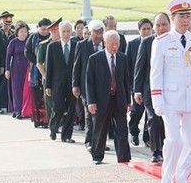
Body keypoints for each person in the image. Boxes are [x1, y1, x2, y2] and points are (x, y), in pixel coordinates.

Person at [150, 0, 191, 183]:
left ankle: (182, 180)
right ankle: (167, 179)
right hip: (171, 99)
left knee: (189, 142)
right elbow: (156, 74)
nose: (186, 20)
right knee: (174, 140)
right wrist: (157, 100)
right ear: (173, 18)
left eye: (188, 16)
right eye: (181, 17)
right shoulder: (162, 42)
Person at [86, 30, 132, 164]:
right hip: (101, 100)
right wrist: (91, 101)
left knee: (122, 128)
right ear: (105, 43)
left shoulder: (123, 58)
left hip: (119, 99)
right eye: (111, 44)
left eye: (117, 43)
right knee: (100, 129)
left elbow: (126, 81)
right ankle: (97, 155)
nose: (114, 47)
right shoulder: (95, 59)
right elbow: (89, 82)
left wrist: (128, 101)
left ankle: (123, 157)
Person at [133, 12, 170, 163]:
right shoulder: (148, 42)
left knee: (167, 120)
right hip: (151, 90)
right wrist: (137, 90)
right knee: (154, 119)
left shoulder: (175, 41)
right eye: (158, 25)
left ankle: (168, 148)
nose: (161, 28)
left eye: (164, 25)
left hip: (171, 90)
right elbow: (139, 67)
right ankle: (156, 150)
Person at [72, 20, 105, 151]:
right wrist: (75, 85)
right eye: (96, 32)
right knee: (89, 115)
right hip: (86, 86)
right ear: (90, 33)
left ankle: (100, 142)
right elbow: (77, 66)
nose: (98, 35)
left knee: (101, 116)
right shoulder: (82, 45)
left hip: (103, 86)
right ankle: (90, 142)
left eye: (101, 32)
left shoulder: (106, 44)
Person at [45, 20, 78, 143]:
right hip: (57, 83)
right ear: (59, 32)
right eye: (63, 31)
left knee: (70, 109)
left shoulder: (76, 45)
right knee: (58, 107)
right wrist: (48, 85)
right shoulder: (52, 46)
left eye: (68, 31)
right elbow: (49, 67)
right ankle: (53, 129)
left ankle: (66, 135)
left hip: (72, 83)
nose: (66, 34)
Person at [127, 18, 153, 147]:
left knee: (150, 113)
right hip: (137, 83)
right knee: (137, 111)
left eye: (149, 29)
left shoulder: (155, 42)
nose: (146, 31)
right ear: (139, 30)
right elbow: (128, 65)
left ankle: (148, 137)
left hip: (150, 84)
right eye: (144, 29)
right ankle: (134, 132)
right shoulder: (133, 44)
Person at [25, 17, 51, 127]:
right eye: (43, 29)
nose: (45, 32)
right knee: (37, 96)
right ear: (38, 28)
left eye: (47, 29)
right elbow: (27, 52)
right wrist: (38, 61)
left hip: (49, 69)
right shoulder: (33, 38)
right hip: (36, 70)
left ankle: (49, 119)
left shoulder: (51, 38)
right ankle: (39, 120)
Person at [5, 22, 30, 119]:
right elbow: (8, 56)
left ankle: (26, 110)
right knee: (17, 90)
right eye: (22, 31)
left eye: (25, 31)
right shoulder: (13, 42)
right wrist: (7, 69)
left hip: (27, 68)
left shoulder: (29, 41)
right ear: (17, 32)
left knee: (26, 89)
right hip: (16, 68)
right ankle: (18, 110)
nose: (24, 33)